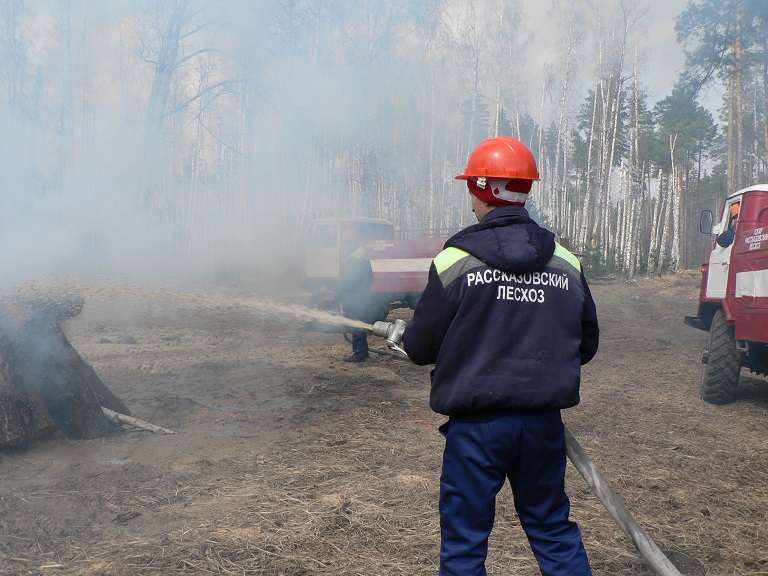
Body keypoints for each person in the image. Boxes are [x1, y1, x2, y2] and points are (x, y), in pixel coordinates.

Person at [401, 136, 600, 576]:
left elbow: (419, 347)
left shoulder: (455, 261)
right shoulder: (566, 261)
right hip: (542, 427)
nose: (470, 196)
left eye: (472, 186)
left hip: (476, 431)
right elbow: (586, 344)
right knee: (551, 529)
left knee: (465, 542)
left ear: (485, 188)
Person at [337, 228, 375, 362]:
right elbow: (371, 278)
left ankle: (360, 354)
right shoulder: (361, 255)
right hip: (362, 295)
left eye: (346, 243)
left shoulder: (353, 259)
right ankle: (363, 352)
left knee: (356, 324)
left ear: (351, 243)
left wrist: (341, 294)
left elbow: (349, 280)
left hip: (355, 296)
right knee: (359, 324)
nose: (344, 246)